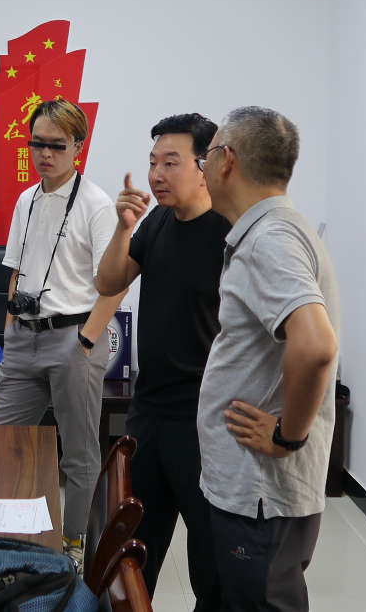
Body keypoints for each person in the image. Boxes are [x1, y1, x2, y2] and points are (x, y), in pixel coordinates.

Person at [197, 107, 340, 612]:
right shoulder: (274, 230)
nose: (202, 166)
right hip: (249, 487)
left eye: (206, 154)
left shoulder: (270, 240)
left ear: (227, 160)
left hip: (260, 491)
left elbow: (316, 345)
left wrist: (288, 436)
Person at [96, 113, 230, 611]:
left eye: (170, 162)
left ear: (206, 166)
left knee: (210, 558)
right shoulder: (156, 221)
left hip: (204, 419)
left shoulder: (229, 231)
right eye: (153, 162)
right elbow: (108, 282)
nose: (156, 174)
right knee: (136, 548)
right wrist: (123, 227)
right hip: (148, 409)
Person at [0, 97, 126, 568]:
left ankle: (74, 546)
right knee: (3, 443)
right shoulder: (26, 199)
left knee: (79, 454)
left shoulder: (96, 204)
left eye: (56, 145)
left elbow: (115, 283)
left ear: (77, 147)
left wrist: (86, 341)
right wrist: (10, 330)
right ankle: (7, 535)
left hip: (74, 338)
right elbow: (16, 270)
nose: (45, 154)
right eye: (37, 144)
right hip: (23, 338)